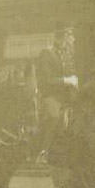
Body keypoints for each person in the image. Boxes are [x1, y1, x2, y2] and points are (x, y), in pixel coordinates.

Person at [35, 23, 78, 163]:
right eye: (70, 36)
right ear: (63, 37)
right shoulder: (47, 53)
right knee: (54, 117)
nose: (73, 40)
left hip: (67, 95)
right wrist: (67, 80)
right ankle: (43, 151)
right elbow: (46, 79)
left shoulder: (66, 54)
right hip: (51, 95)